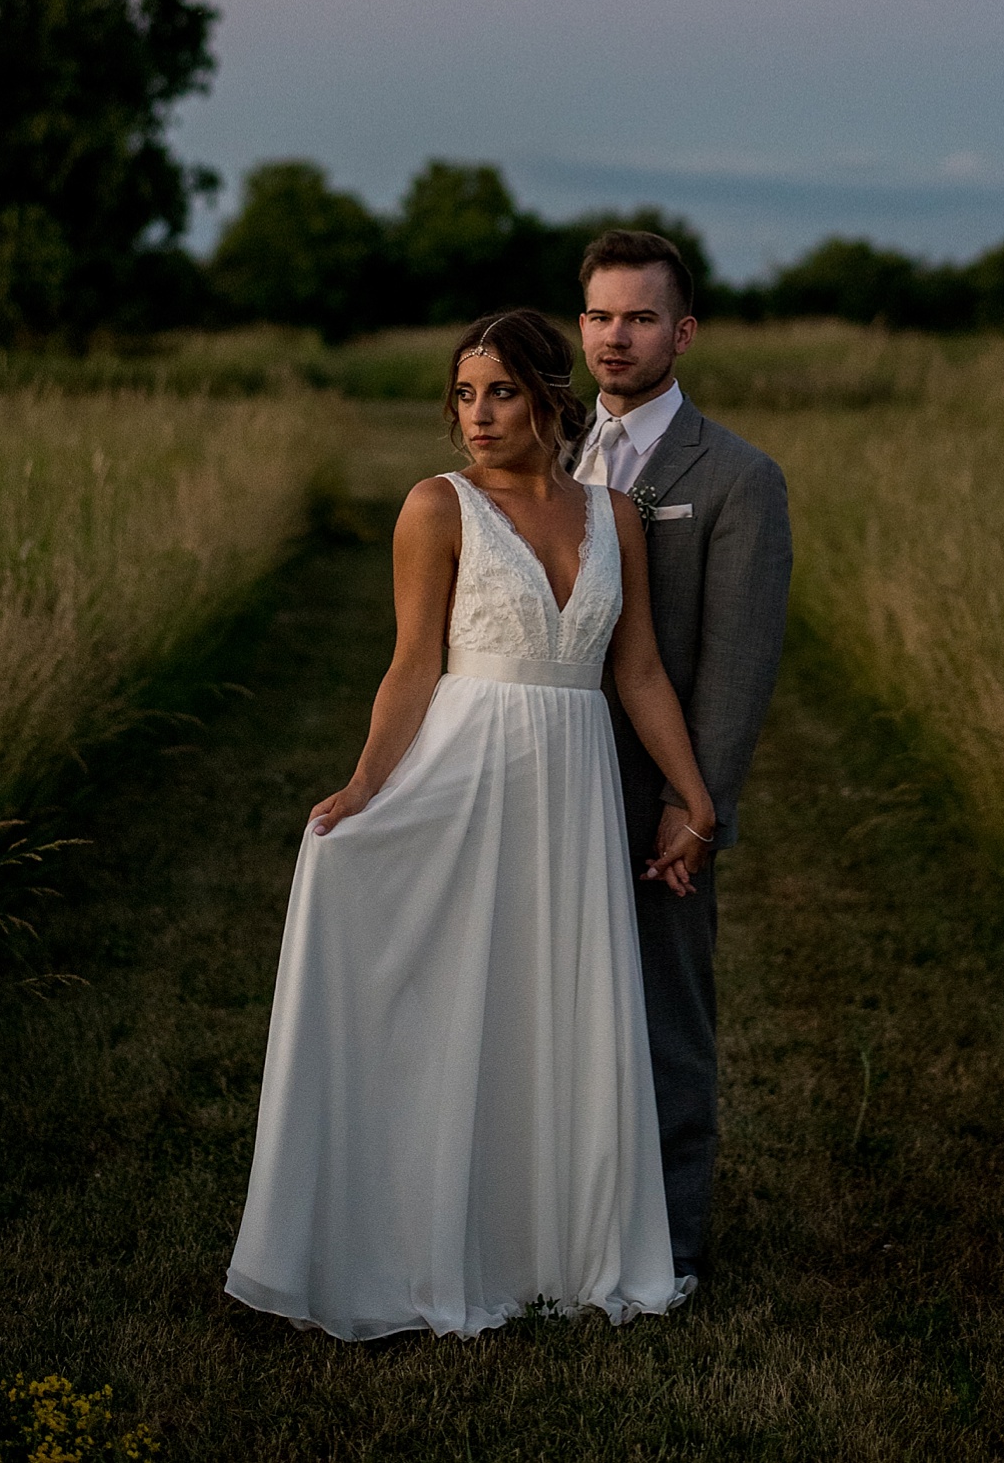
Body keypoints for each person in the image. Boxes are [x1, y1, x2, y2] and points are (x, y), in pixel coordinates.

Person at [224, 308, 717, 1342]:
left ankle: (553, 1244)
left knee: (553, 1000)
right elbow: (413, 663)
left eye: (498, 390)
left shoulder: (612, 514)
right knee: (453, 996)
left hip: (573, 781)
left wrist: (692, 791)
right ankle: (402, 1234)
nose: (477, 414)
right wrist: (364, 788)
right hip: (470, 765)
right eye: (462, 392)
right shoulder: (436, 506)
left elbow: (636, 671)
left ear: (549, 395)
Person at [572, 230, 792, 1283]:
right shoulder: (548, 441)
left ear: (683, 333)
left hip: (654, 792)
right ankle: (562, 1214)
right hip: (548, 781)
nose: (617, 337)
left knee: (667, 1015)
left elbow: (738, 663)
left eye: (641, 317)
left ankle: (672, 1245)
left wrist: (692, 807)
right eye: (601, 316)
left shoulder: (738, 476)